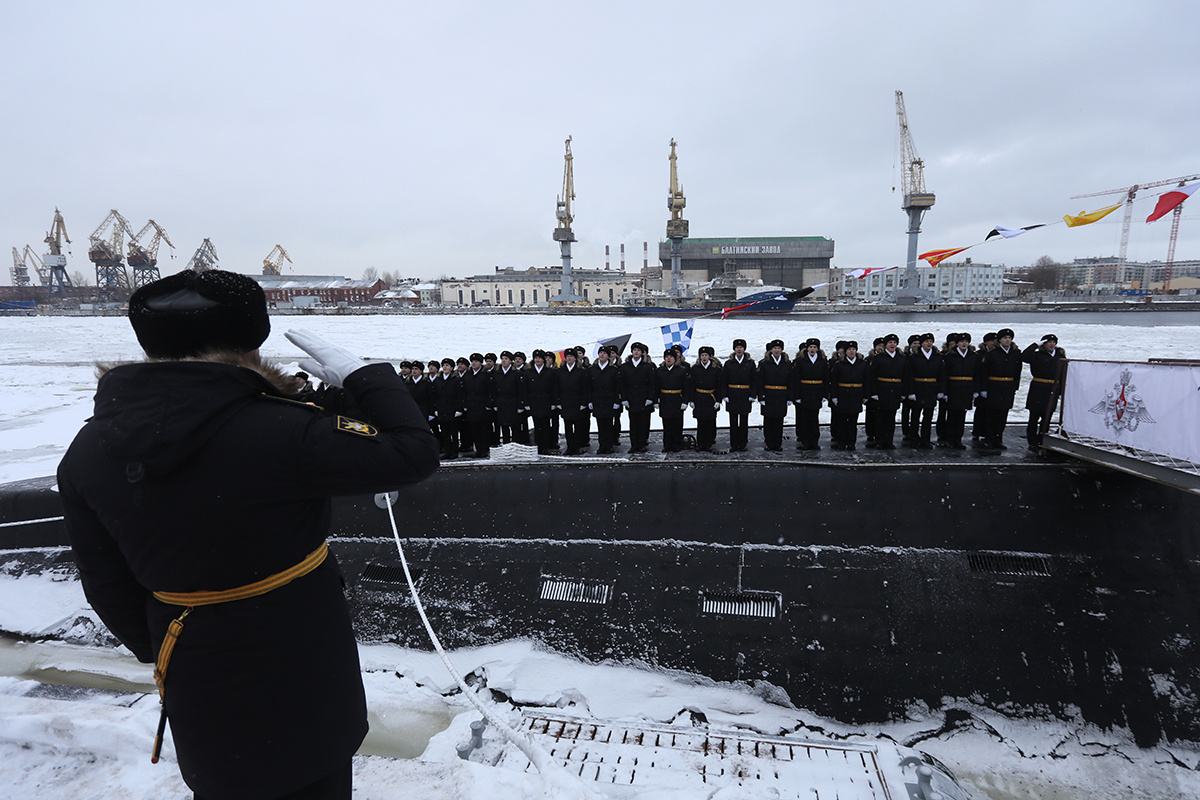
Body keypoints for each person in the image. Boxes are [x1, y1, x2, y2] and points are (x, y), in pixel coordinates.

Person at [56, 270, 439, 800]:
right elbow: (412, 453)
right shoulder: (285, 430)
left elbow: (106, 585)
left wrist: (183, 643)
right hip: (303, 666)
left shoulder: (88, 449)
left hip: (194, 671)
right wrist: (368, 377)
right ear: (250, 336)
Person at [976, 327, 1022, 450]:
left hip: (1008, 388)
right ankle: (989, 439)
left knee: (1003, 415)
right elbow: (983, 372)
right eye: (1005, 338)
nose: (1007, 340)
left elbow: (1018, 371)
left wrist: (1015, 386)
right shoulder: (992, 354)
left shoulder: (1015, 354)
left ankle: (998, 439)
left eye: (1009, 338)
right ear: (999, 340)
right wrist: (983, 389)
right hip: (994, 387)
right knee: (992, 415)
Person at [1022, 334, 1067, 451]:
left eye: (1054, 342)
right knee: (1034, 417)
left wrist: (1061, 391)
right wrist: (1035, 345)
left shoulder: (1060, 357)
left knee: (1047, 417)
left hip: (1052, 389)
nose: (1052, 344)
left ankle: (1042, 439)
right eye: (1049, 342)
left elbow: (1063, 375)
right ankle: (1032, 441)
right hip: (1038, 388)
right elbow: (1023, 357)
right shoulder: (1037, 355)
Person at [904, 332, 944, 449]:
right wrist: (910, 392)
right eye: (927, 341)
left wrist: (941, 390)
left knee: (928, 416)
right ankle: (914, 439)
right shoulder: (914, 357)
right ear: (921, 344)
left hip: (931, 389)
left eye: (931, 341)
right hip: (918, 388)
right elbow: (909, 375)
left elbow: (941, 375)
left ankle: (925, 439)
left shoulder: (937, 357)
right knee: (915, 416)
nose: (929, 343)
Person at [866, 333, 906, 449]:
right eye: (890, 343)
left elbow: (905, 376)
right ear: (886, 345)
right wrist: (873, 392)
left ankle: (889, 441)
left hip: (896, 390)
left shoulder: (902, 359)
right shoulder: (878, 358)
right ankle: (879, 441)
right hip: (882, 390)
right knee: (880, 418)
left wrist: (903, 393)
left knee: (891, 417)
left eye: (894, 342)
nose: (892, 344)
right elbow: (872, 376)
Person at [828, 339, 868, 450]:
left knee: (852, 421)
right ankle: (841, 442)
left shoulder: (862, 364)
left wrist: (865, 395)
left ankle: (851, 442)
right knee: (841, 421)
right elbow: (834, 382)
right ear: (845, 352)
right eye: (849, 349)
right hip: (843, 395)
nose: (852, 351)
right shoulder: (839, 365)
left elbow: (866, 381)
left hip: (856, 395)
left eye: (853, 349)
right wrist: (834, 396)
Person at [941, 333, 977, 450]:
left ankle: (958, 439)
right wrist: (944, 391)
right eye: (962, 341)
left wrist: (976, 389)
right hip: (953, 388)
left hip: (966, 388)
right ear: (957, 343)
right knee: (952, 415)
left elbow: (978, 374)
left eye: (966, 341)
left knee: (962, 415)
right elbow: (944, 375)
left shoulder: (973, 356)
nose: (964, 343)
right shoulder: (950, 356)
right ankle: (950, 439)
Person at [619, 341, 657, 453]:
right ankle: (634, 445)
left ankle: (641, 444)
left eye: (638, 350)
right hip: (631, 399)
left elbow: (652, 383)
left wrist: (650, 398)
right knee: (633, 423)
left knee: (643, 423)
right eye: (634, 350)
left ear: (642, 353)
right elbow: (622, 384)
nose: (636, 352)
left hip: (644, 399)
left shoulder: (648, 366)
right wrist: (624, 398)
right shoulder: (625, 367)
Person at [791, 337, 826, 450]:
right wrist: (797, 395)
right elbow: (796, 379)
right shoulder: (801, 361)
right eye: (810, 347)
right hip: (804, 391)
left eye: (814, 347)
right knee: (805, 418)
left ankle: (814, 441)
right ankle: (805, 441)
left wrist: (824, 394)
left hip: (816, 392)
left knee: (814, 418)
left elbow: (826, 379)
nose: (812, 349)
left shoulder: (822, 361)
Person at [757, 339, 790, 452]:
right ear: (771, 350)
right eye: (775, 348)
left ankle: (777, 443)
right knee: (768, 420)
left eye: (779, 348)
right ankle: (769, 442)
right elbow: (760, 381)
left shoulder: (787, 364)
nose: (777, 350)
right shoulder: (764, 363)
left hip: (781, 395)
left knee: (779, 420)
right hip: (768, 394)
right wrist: (761, 396)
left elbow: (791, 381)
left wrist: (790, 397)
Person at [723, 339, 756, 452]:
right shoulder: (728, 363)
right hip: (732, 395)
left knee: (743, 421)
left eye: (741, 347)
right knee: (733, 421)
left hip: (744, 395)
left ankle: (742, 444)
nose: (739, 349)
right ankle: (734, 444)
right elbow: (724, 380)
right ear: (734, 349)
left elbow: (754, 380)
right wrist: (725, 395)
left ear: (744, 349)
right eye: (737, 347)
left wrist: (752, 395)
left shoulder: (750, 363)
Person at [588, 345, 623, 454]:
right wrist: (589, 401)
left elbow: (618, 387)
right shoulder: (592, 370)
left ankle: (609, 445)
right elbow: (588, 387)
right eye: (600, 353)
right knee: (600, 424)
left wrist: (617, 401)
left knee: (608, 424)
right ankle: (601, 445)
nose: (602, 355)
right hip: (597, 400)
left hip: (609, 400)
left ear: (608, 356)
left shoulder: (613, 370)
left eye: (604, 353)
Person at [461, 353, 496, 458]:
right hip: (472, 405)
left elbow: (491, 391)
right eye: (473, 361)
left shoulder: (486, 375)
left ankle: (485, 449)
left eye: (476, 361)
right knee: (475, 430)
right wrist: (465, 404)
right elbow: (464, 391)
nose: (474, 363)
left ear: (481, 363)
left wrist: (489, 404)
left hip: (483, 406)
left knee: (484, 429)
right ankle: (478, 449)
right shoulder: (468, 375)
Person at [526, 349, 560, 454]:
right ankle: (538, 446)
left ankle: (546, 447)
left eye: (540, 358)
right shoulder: (528, 373)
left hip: (546, 402)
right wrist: (526, 403)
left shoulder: (550, 372)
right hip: (534, 402)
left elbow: (555, 388)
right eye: (536, 358)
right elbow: (525, 389)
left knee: (546, 425)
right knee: (537, 425)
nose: (537, 360)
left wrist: (554, 403)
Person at [557, 348, 590, 455]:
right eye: (567, 356)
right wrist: (558, 402)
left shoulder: (581, 371)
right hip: (565, 402)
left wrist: (584, 403)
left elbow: (585, 388)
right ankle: (570, 447)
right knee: (568, 426)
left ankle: (577, 446)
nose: (569, 358)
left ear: (575, 358)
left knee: (578, 426)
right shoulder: (560, 371)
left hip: (577, 402)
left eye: (571, 356)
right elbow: (556, 388)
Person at [690, 345, 722, 451]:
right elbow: (691, 385)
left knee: (709, 421)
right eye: (702, 355)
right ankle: (700, 443)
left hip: (710, 397)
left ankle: (708, 443)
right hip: (699, 397)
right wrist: (691, 400)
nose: (704, 357)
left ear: (710, 357)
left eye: (706, 355)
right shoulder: (695, 368)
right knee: (700, 421)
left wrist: (718, 400)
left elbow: (719, 386)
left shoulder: (715, 369)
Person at [657, 349, 688, 452]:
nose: (668, 358)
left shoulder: (681, 370)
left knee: (677, 424)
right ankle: (667, 445)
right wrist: (655, 400)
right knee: (666, 424)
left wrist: (685, 401)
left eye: (671, 357)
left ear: (675, 359)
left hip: (676, 399)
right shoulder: (659, 371)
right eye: (667, 357)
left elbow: (686, 387)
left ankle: (676, 444)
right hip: (665, 399)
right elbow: (655, 387)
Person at [433, 357, 463, 459]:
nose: (445, 367)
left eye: (447, 366)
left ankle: (454, 452)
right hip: (442, 408)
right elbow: (435, 396)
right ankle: (447, 451)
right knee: (444, 432)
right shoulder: (438, 380)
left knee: (453, 433)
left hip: (452, 408)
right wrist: (436, 409)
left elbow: (460, 396)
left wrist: (459, 409)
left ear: (451, 368)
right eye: (444, 365)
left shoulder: (456, 380)